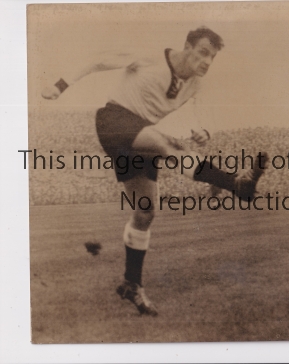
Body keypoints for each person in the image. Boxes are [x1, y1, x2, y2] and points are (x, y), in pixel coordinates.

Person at [42, 26, 268, 316]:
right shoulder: (149, 56)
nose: (207, 62)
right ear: (186, 47)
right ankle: (236, 184)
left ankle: (131, 283)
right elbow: (99, 59)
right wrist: (60, 86)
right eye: (202, 53)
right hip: (115, 120)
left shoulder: (196, 83)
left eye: (212, 57)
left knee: (146, 211)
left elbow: (197, 111)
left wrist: (201, 130)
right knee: (166, 145)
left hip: (140, 137)